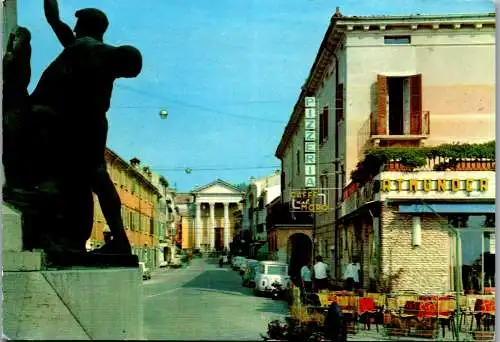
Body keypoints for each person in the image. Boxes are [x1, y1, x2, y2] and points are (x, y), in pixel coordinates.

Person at [30, 0, 142, 254]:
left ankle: (117, 240)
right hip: (88, 123)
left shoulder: (85, 47)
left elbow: (132, 61)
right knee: (94, 177)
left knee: (93, 177)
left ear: (87, 27)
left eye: (78, 24)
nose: (75, 27)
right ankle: (118, 239)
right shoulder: (88, 47)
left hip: (81, 123)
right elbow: (57, 23)